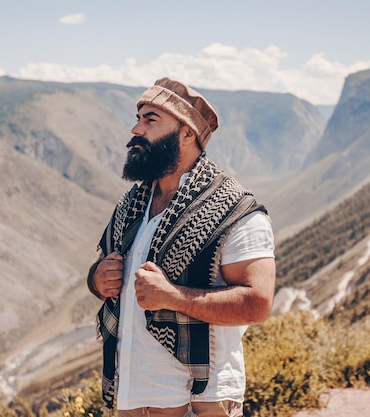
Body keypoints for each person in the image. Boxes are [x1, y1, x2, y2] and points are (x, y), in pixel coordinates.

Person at [87, 77, 276, 417]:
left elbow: (257, 304)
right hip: (133, 396)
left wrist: (172, 297)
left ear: (187, 133)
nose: (136, 129)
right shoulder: (133, 205)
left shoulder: (234, 212)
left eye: (150, 120)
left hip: (199, 400)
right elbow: (103, 270)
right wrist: (97, 279)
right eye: (138, 117)